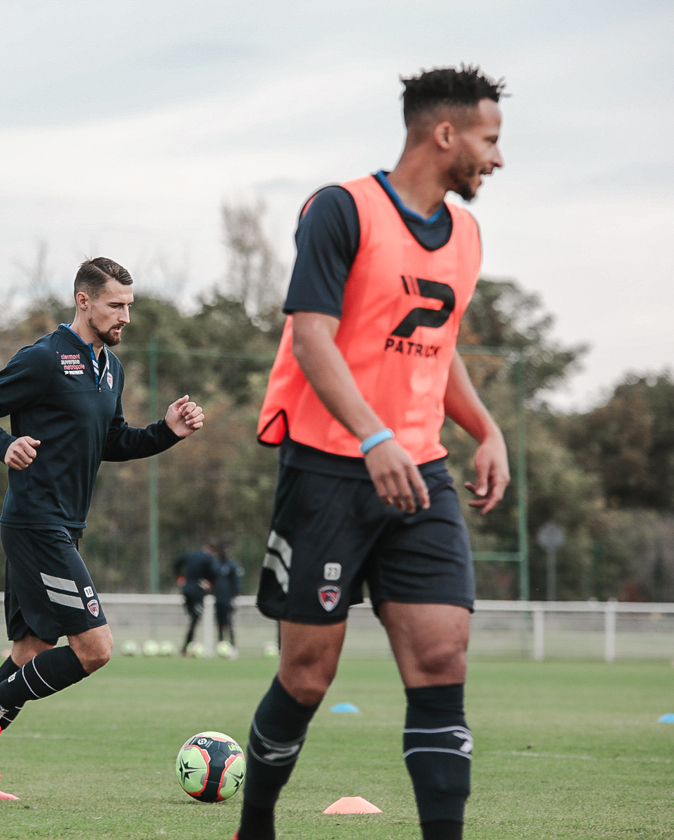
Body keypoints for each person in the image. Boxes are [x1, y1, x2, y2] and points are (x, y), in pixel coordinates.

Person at [234, 66, 510, 840]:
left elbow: (438, 346)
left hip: (420, 473)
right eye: (489, 140)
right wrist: (373, 435)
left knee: (440, 663)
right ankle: (256, 825)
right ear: (445, 134)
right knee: (306, 675)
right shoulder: (341, 209)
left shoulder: (466, 236)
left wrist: (485, 429)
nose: (497, 158)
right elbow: (312, 339)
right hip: (326, 470)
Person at [0, 256, 204, 801]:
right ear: (84, 301)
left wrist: (167, 431)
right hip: (37, 523)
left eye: (129, 305)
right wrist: (4, 445)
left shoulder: (111, 368)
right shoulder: (44, 358)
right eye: (115, 305)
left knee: (31, 652)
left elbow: (113, 440)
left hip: (62, 525)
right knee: (95, 649)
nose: (125, 316)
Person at [174, 542, 219, 655]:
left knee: (192, 617)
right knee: (194, 619)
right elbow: (214, 572)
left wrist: (179, 577)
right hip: (197, 592)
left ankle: (188, 645)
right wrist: (210, 584)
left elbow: (177, 563)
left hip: (186, 590)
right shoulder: (208, 558)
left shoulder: (191, 554)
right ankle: (186, 647)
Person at [213, 547, 244, 651]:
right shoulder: (215, 565)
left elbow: (236, 583)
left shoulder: (232, 566)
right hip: (218, 599)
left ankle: (232, 644)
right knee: (219, 623)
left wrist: (235, 597)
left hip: (228, 599)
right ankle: (220, 643)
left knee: (229, 622)